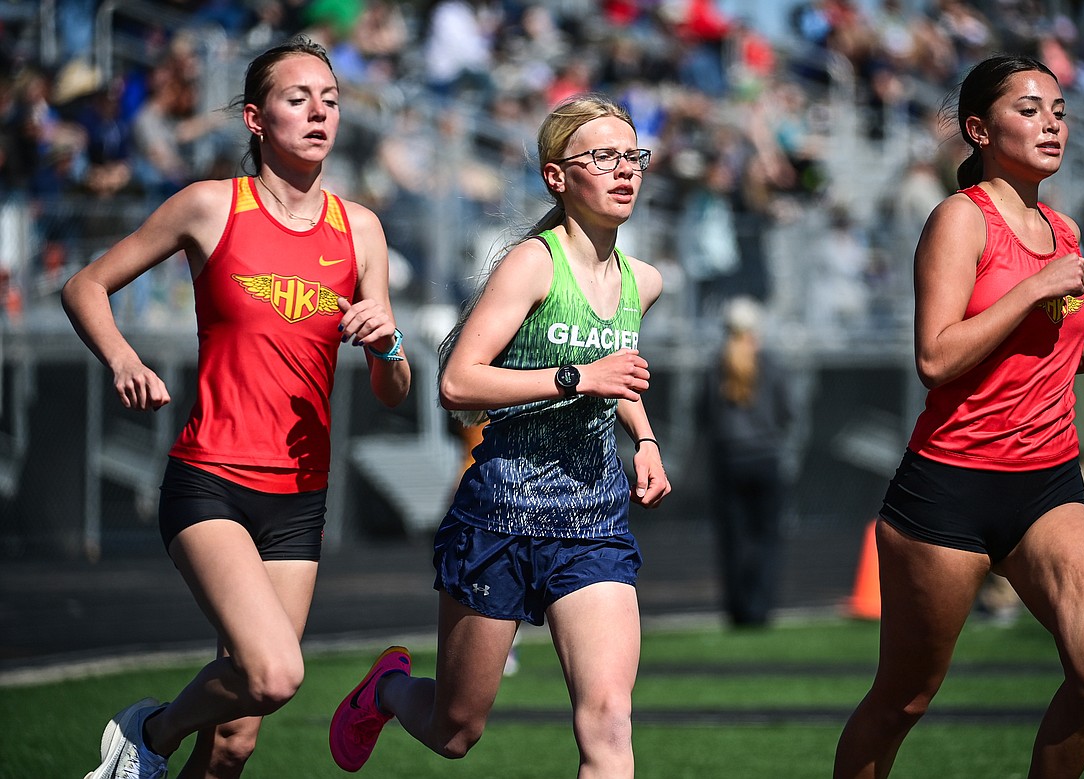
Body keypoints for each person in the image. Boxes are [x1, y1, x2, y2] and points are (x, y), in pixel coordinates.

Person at [63, 35, 411, 779]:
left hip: (299, 496)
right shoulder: (210, 205)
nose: (320, 113)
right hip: (212, 480)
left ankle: (160, 747)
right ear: (256, 118)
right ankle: (149, 734)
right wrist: (123, 359)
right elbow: (84, 284)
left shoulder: (362, 230)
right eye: (298, 99)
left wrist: (387, 347)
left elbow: (395, 388)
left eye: (331, 100)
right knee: (274, 674)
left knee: (235, 742)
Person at [328, 93, 670, 778]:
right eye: (603, 156)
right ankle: (387, 690)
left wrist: (648, 441)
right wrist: (576, 376)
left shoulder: (645, 280)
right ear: (557, 176)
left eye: (632, 155)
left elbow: (618, 371)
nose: (625, 169)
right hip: (499, 519)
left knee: (609, 723)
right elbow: (458, 383)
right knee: (457, 730)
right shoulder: (533, 265)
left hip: (592, 524)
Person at [833, 54, 1084, 779]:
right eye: (1029, 110)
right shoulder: (958, 220)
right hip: (950, 488)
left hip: (1047, 484)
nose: (1051, 124)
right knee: (904, 699)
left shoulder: (1063, 229)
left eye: (1059, 111)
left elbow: (1025, 346)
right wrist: (1035, 289)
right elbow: (937, 359)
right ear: (978, 129)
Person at [697, 295, 790, 626]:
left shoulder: (715, 365)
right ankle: (760, 609)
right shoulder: (772, 363)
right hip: (765, 458)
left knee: (733, 537)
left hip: (728, 459)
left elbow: (704, 414)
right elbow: (786, 412)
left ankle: (737, 609)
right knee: (766, 536)